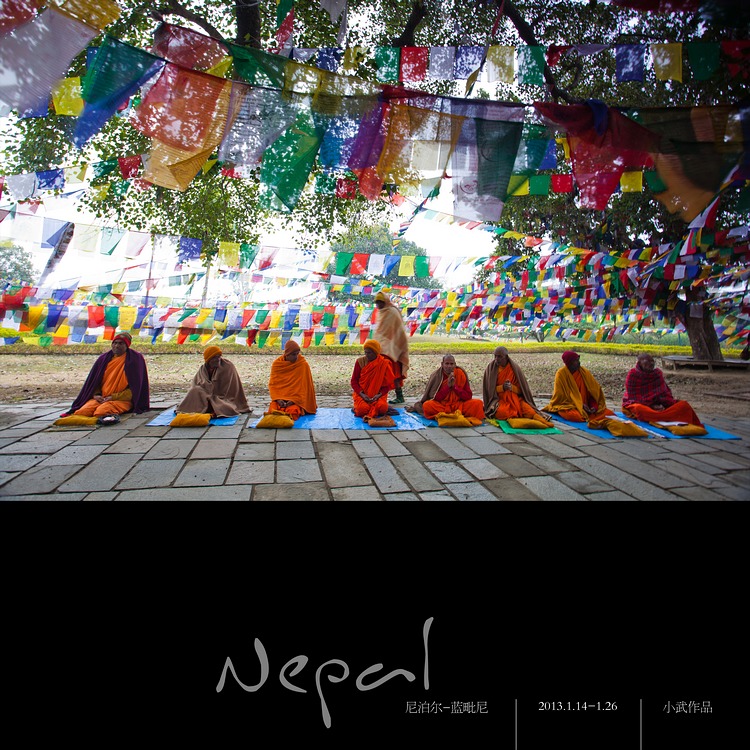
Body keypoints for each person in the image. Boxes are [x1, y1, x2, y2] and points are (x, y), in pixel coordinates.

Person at [62, 331, 149, 418]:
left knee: (101, 413)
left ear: (127, 345)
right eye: (115, 343)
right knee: (82, 412)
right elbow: (94, 381)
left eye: (121, 343)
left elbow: (136, 388)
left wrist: (113, 397)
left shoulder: (135, 359)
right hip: (101, 398)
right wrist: (96, 395)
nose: (117, 346)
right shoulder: (103, 359)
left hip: (122, 399)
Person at [622, 353, 705, 427]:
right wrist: (651, 406)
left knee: (683, 405)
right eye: (647, 361)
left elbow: (664, 394)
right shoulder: (633, 374)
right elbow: (633, 397)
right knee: (639, 409)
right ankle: (664, 417)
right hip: (643, 406)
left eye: (652, 361)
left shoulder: (657, 374)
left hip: (660, 407)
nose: (651, 363)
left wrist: (662, 404)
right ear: (639, 363)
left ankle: (660, 417)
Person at [482, 346, 551, 425]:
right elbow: (489, 391)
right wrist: (502, 388)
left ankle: (542, 422)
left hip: (516, 399)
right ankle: (515, 415)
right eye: (495, 356)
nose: (496, 359)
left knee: (530, 412)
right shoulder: (491, 369)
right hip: (499, 400)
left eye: (500, 357)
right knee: (502, 412)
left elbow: (522, 390)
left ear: (506, 357)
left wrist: (511, 387)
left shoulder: (514, 369)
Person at [176, 345, 250, 418]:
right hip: (206, 394)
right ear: (208, 360)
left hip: (223, 398)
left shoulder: (227, 366)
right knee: (194, 391)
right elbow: (197, 384)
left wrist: (210, 395)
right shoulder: (203, 368)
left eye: (219, 357)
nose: (218, 359)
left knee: (223, 407)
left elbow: (227, 391)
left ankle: (209, 407)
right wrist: (205, 393)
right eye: (214, 357)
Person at [409, 354, 485, 422]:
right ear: (442, 364)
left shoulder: (460, 373)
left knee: (478, 403)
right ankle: (455, 415)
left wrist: (455, 387)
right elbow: (435, 398)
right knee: (427, 405)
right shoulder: (437, 376)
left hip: (459, 405)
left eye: (451, 364)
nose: (449, 366)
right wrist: (447, 387)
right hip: (442, 406)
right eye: (447, 364)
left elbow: (468, 396)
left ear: (455, 364)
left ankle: (447, 415)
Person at [373, 291, 410, 404]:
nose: (378, 305)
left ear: (385, 301)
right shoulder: (381, 312)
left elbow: (398, 331)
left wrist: (392, 346)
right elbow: (380, 332)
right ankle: (380, 397)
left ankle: (399, 396)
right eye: (377, 303)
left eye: (380, 302)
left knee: (394, 374)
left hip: (393, 348)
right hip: (382, 348)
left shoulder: (392, 312)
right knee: (381, 374)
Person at [266, 339, 317, 421]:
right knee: (273, 409)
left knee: (292, 412)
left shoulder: (302, 364)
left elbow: (304, 388)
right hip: (280, 399)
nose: (296, 357)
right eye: (293, 354)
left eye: (297, 354)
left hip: (296, 400)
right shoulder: (277, 365)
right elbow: (273, 385)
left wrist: (294, 400)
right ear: (287, 354)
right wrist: (278, 399)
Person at [351, 339, 395, 421]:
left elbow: (388, 384)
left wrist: (378, 395)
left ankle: (377, 407)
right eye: (365, 352)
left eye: (369, 353)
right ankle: (357, 407)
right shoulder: (360, 362)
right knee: (362, 410)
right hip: (362, 394)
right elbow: (354, 381)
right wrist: (362, 394)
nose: (367, 355)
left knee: (382, 408)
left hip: (378, 395)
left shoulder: (384, 363)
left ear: (376, 352)